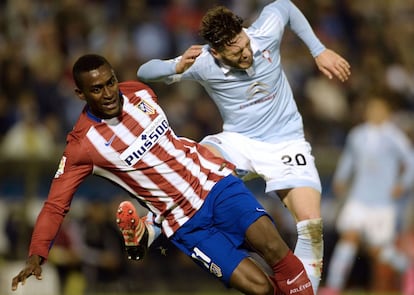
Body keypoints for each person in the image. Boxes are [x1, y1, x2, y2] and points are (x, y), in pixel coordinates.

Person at [11, 54, 314, 295]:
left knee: (275, 248)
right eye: (96, 89)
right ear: (80, 93)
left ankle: (147, 231)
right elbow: (54, 205)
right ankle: (150, 229)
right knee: (259, 288)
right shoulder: (82, 146)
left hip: (215, 185)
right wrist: (37, 254)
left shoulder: (140, 92)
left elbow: (166, 120)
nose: (108, 93)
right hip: (186, 225)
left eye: (110, 82)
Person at [136, 1, 351, 293]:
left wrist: (318, 50)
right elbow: (144, 72)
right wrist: (175, 65)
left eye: (245, 44)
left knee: (311, 227)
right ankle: (152, 225)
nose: (247, 53)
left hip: (285, 141)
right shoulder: (203, 62)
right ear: (216, 51)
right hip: (239, 141)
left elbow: (284, 6)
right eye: (236, 53)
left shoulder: (264, 33)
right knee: (195, 158)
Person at [320, 96, 414, 294]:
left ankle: (407, 268)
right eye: (371, 109)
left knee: (377, 250)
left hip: (382, 202)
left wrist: (402, 184)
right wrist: (341, 178)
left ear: (387, 113)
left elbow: (411, 162)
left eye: (379, 109)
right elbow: (349, 159)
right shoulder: (357, 135)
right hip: (358, 198)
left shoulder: (394, 137)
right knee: (348, 237)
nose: (374, 113)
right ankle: (334, 287)